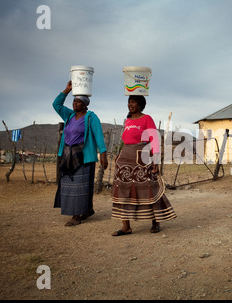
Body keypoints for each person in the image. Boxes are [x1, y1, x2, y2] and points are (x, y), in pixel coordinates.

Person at [111, 95, 176, 236]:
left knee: (148, 188)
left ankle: (156, 222)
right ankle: (126, 226)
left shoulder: (147, 119)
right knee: (123, 189)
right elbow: (125, 140)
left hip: (142, 158)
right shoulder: (127, 120)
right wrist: (120, 155)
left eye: (133, 102)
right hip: (125, 159)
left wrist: (156, 159)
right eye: (129, 102)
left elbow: (154, 139)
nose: (130, 104)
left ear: (140, 104)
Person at [53, 81, 108, 226]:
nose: (75, 103)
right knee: (68, 184)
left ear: (85, 104)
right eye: (74, 101)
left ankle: (76, 216)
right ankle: (87, 209)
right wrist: (67, 90)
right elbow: (56, 105)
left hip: (83, 156)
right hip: (68, 155)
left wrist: (103, 153)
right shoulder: (69, 115)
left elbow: (98, 135)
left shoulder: (91, 117)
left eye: (78, 101)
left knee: (81, 186)